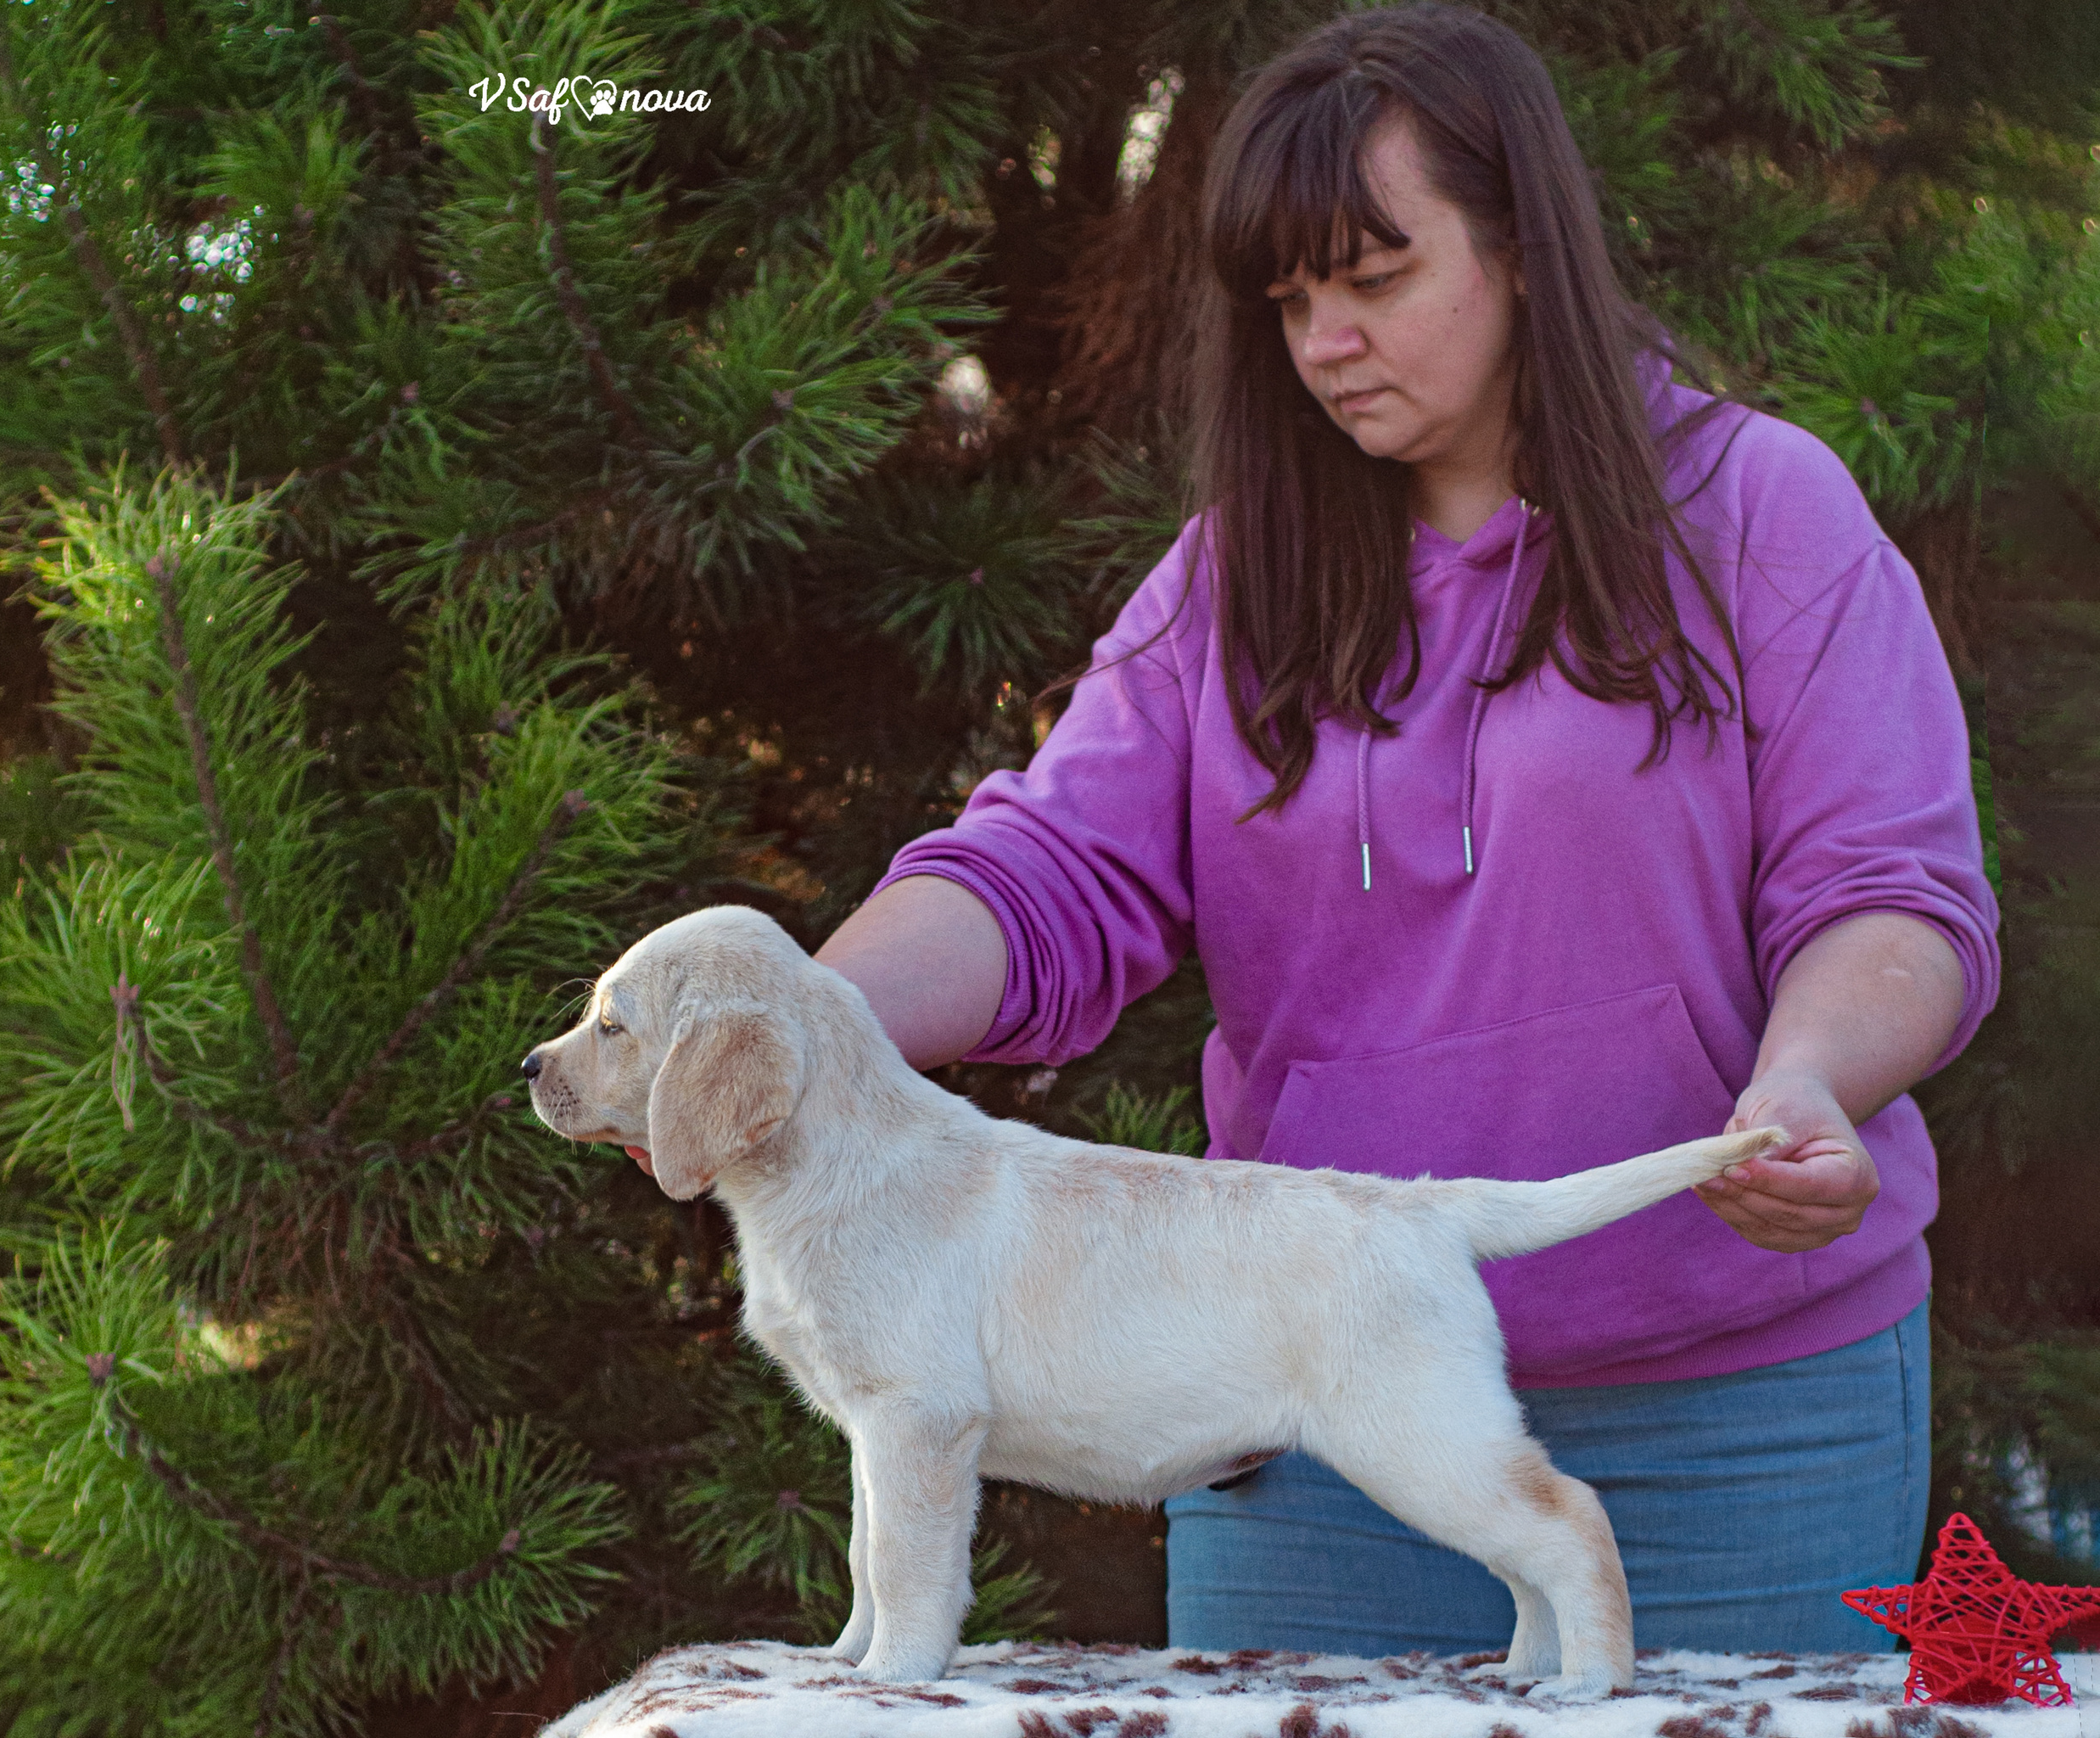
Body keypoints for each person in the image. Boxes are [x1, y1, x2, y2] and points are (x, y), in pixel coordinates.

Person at [814, 2, 2000, 1660]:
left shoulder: (1761, 511)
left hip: (1740, 1422)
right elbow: (1041, 875)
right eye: (1289, 301)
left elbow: (1889, 896)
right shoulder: (1228, 583)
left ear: (1521, 247)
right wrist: (798, 1023)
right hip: (1303, 1421)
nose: (1324, 343)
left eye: (1375, 279)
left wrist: (1811, 1079)